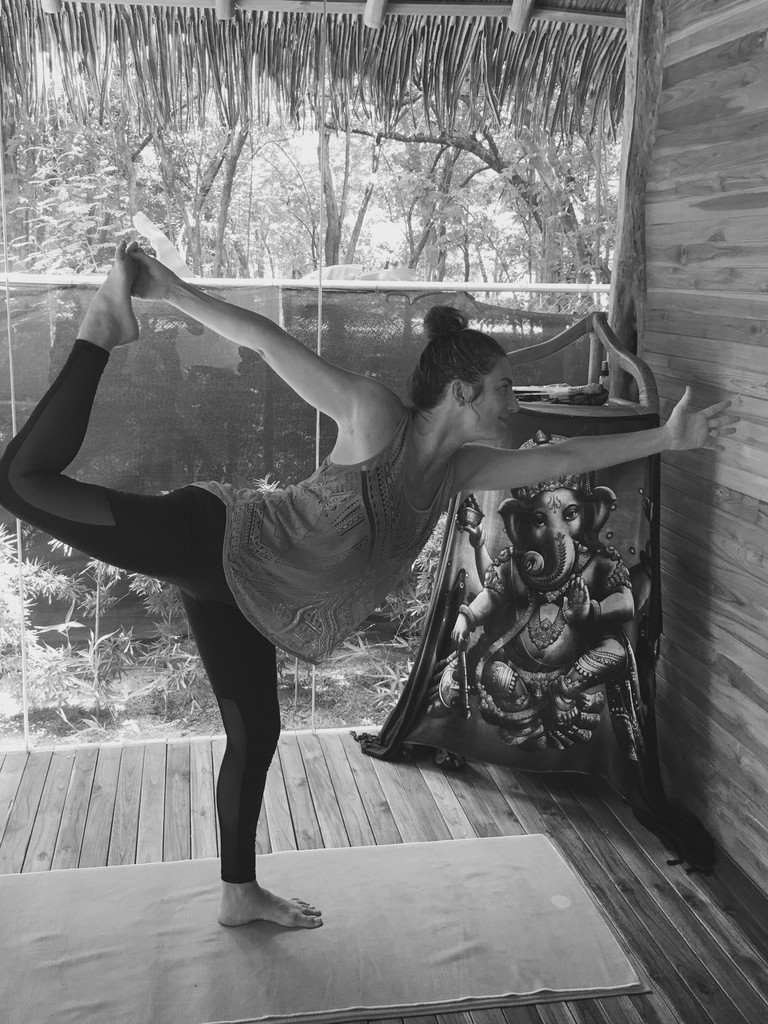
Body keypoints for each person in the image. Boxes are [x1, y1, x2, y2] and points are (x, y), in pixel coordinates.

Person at [0, 241, 736, 930]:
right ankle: (101, 330)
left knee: (256, 734)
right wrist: (169, 291)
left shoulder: (459, 470)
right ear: (463, 391)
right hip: (213, 538)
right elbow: (267, 342)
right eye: (504, 389)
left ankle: (238, 894)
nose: (515, 402)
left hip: (248, 599)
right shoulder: (376, 417)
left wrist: (667, 439)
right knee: (22, 482)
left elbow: (566, 456)